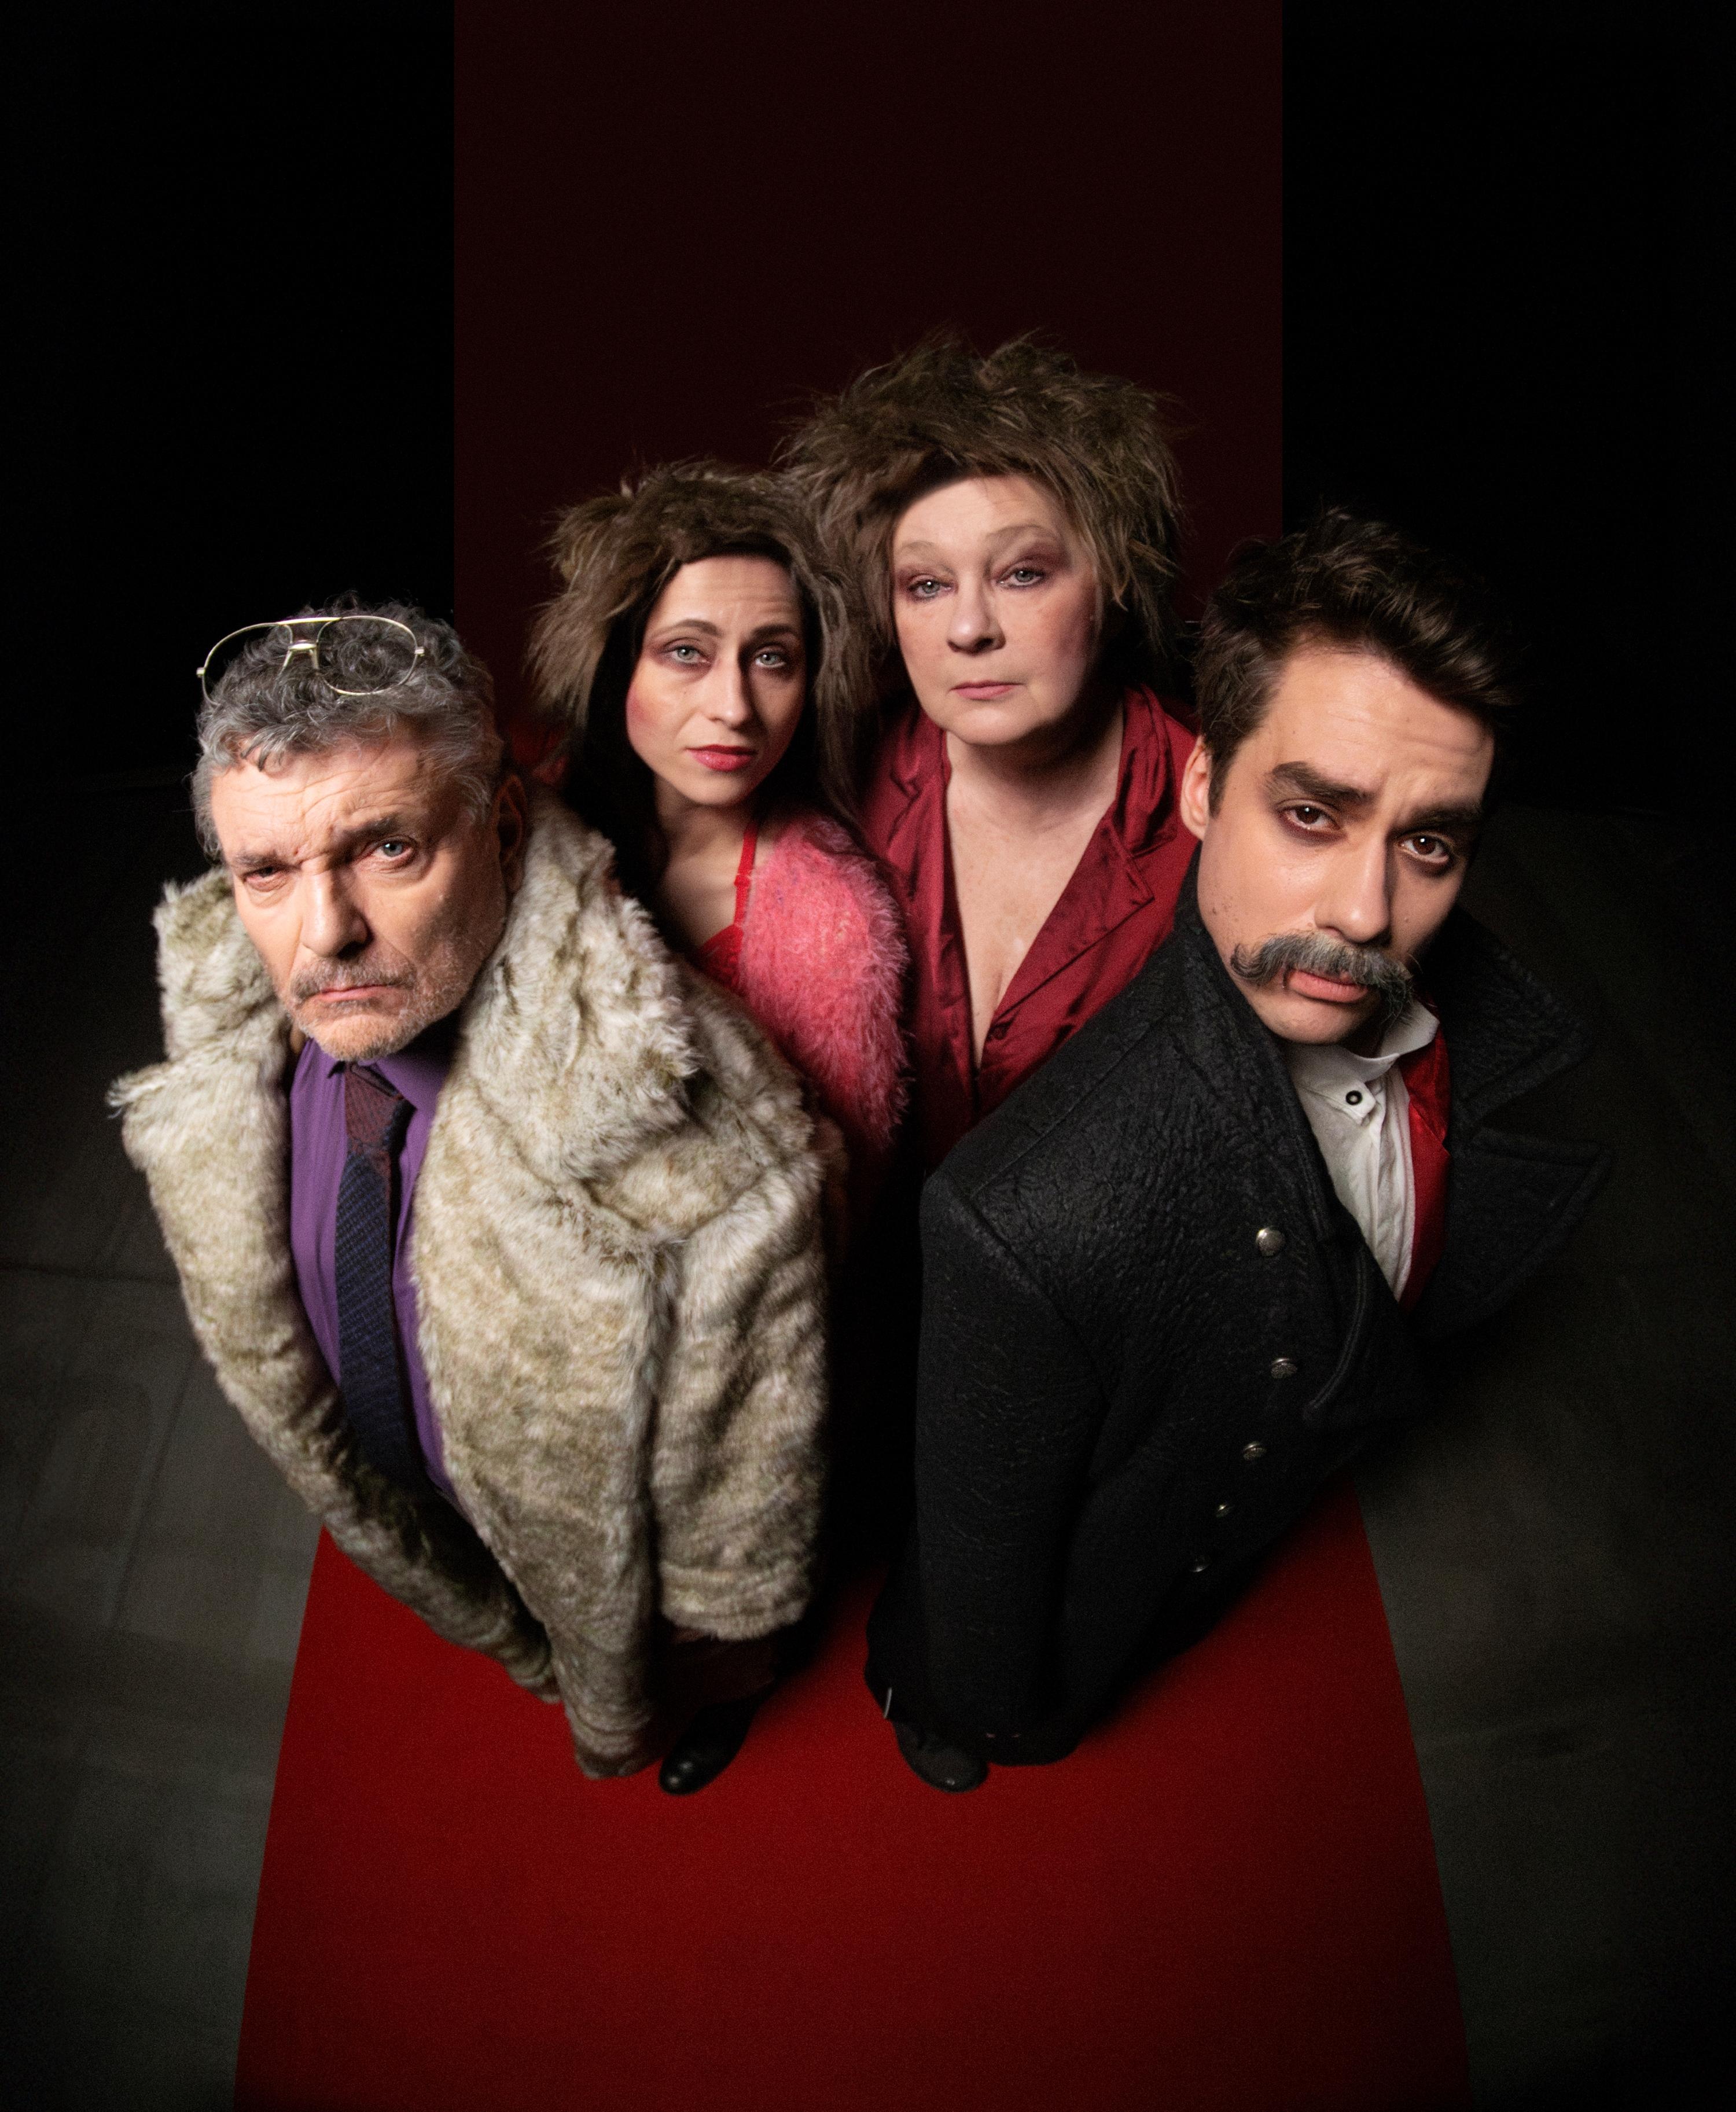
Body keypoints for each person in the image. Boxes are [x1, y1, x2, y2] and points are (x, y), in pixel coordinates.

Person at [866, 512, 1606, 1790]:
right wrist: (990, 1712)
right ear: (1204, 787)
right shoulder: (1021, 1216)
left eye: (1429, 842)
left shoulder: (1451, 1023)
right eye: (1311, 813)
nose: (1366, 913)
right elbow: (984, 1552)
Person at [111, 603, 828, 1792]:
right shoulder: (231, 1011)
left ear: (500, 825)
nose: (325, 935)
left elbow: (737, 1503)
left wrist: (710, 1643)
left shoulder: (705, 1133)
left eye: (388, 849)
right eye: (267, 871)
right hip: (446, 1511)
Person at [780, 335, 1196, 1169]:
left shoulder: (1216, 813)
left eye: (1022, 574)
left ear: (1116, 580)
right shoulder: (831, 782)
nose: (969, 629)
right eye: (927, 585)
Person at [528, 464, 906, 1233]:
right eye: (687, 653)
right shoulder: (524, 841)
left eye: (772, 658)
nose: (734, 707)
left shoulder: (832, 926)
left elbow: (839, 1217)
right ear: (616, 663)